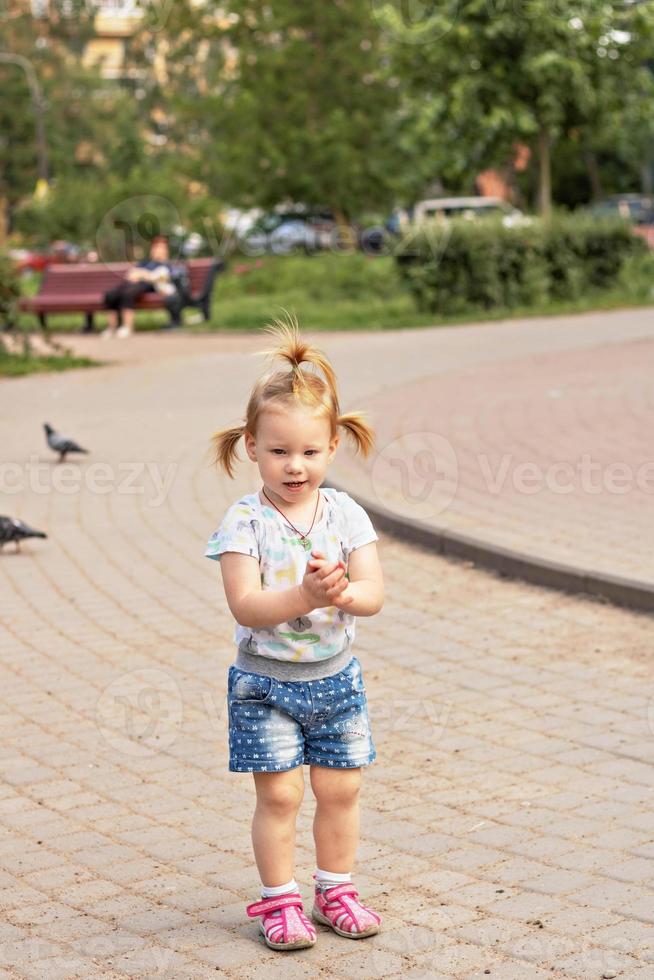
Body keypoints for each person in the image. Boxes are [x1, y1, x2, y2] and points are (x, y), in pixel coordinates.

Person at [205, 313, 384, 952]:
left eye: (309, 452)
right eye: (279, 451)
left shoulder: (345, 513)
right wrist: (304, 595)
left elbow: (373, 594)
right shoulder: (244, 522)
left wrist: (343, 593)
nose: (295, 466)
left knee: (341, 788)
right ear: (251, 445)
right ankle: (279, 903)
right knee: (280, 796)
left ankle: (336, 890)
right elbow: (247, 606)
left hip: (337, 681)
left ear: (332, 446)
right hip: (267, 684)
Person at [101, 236, 186, 339]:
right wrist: (142, 274)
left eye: (160, 248)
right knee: (111, 295)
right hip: (130, 283)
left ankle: (127, 327)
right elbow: (131, 274)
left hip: (146, 286)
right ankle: (112, 328)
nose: (157, 250)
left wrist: (143, 274)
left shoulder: (168, 264)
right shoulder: (145, 262)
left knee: (128, 294)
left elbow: (161, 277)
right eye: (155, 248)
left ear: (165, 250)